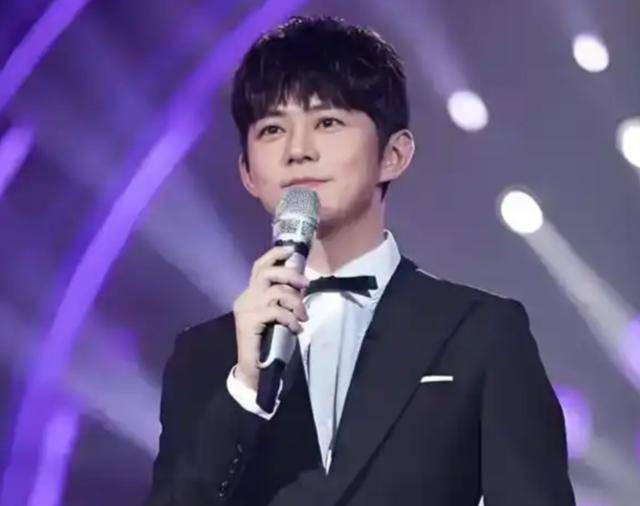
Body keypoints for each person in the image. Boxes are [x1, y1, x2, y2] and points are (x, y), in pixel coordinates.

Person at [146, 16, 576, 506]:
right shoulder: (204, 358)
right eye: (272, 129)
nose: (298, 151)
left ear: (394, 154)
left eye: (327, 122)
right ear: (247, 172)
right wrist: (246, 390)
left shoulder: (480, 332)